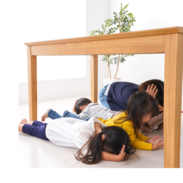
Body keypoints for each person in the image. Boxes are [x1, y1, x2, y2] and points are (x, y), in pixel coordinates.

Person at [18, 117, 135, 164]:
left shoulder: (102, 130)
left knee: (42, 125)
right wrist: (116, 157)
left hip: (58, 124)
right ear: (103, 140)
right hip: (53, 132)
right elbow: (96, 153)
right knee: (35, 130)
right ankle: (20, 126)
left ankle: (27, 121)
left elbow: (95, 121)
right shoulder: (85, 139)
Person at [41, 95, 163, 133]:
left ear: (82, 107)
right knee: (143, 126)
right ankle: (163, 113)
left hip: (113, 119)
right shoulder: (97, 105)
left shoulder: (87, 108)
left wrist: (73, 111)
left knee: (74, 121)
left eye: (78, 110)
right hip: (117, 114)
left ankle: (50, 113)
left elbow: (77, 118)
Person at [98, 91, 164, 151]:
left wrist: (147, 139)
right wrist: (151, 147)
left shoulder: (129, 116)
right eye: (150, 115)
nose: (150, 117)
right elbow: (134, 142)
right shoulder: (126, 123)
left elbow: (134, 133)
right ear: (139, 112)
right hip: (99, 128)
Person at [99, 79, 164, 131]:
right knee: (125, 118)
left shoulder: (139, 94)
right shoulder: (131, 97)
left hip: (119, 89)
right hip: (106, 94)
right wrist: (150, 102)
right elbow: (143, 125)